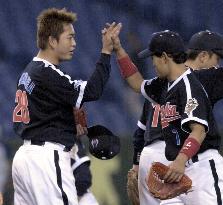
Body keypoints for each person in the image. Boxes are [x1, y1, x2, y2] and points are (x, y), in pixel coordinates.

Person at [12, 8, 121, 205]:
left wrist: (69, 126)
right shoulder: (47, 72)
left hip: (25, 157)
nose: (74, 43)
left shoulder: (29, 71)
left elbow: (44, 114)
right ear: (52, 41)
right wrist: (106, 52)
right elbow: (92, 91)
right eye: (69, 37)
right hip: (46, 158)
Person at [112, 30, 223, 204]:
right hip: (177, 169)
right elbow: (137, 84)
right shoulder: (164, 84)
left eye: (153, 58)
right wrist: (119, 51)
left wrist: (180, 161)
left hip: (200, 166)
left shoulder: (189, 85)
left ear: (164, 57)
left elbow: (199, 131)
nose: (153, 64)